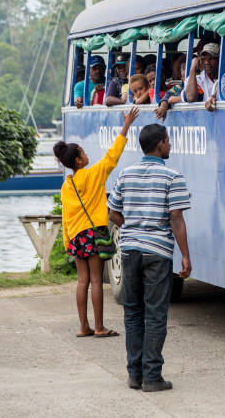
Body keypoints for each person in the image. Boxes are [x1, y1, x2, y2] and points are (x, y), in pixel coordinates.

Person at [107, 124, 192, 392]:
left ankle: (135, 375)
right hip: (158, 253)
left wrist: (133, 226)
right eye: (168, 141)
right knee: (155, 315)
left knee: (133, 314)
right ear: (159, 145)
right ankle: (153, 377)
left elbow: (113, 214)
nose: (170, 145)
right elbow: (176, 217)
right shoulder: (172, 176)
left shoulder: (125, 174)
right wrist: (186, 256)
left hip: (130, 251)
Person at [54, 106, 140, 339]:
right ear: (79, 160)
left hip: (77, 237)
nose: (87, 154)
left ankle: (84, 327)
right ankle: (99, 327)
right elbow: (113, 154)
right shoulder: (94, 174)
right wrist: (126, 125)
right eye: (83, 152)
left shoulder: (67, 185)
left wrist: (67, 240)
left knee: (82, 281)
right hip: (94, 235)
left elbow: (66, 216)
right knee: (95, 280)